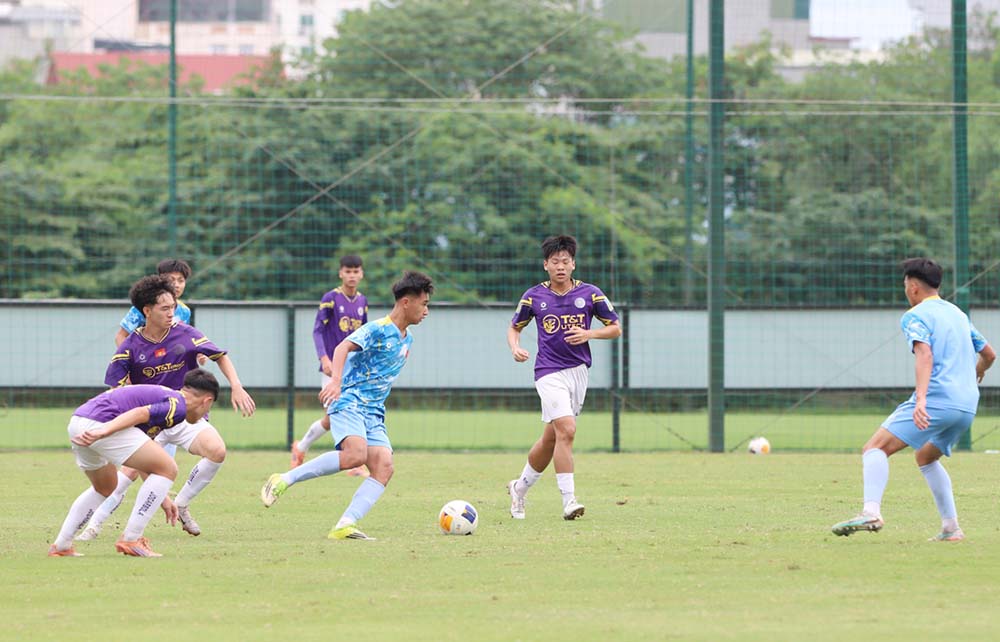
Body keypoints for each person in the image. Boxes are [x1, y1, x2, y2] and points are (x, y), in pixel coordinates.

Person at [77, 274, 255, 541]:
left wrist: (237, 386)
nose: (173, 313)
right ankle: (93, 526)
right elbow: (119, 392)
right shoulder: (129, 347)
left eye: (173, 307)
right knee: (126, 476)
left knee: (217, 451)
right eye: (166, 308)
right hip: (149, 420)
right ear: (147, 311)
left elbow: (220, 356)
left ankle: (181, 503)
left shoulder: (186, 334)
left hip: (183, 415)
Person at [260, 271, 434, 541]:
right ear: (406, 303)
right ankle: (284, 478)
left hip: (373, 411)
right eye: (424, 304)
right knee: (355, 455)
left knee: (384, 466)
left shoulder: (407, 338)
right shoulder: (377, 328)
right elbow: (342, 348)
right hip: (350, 401)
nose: (427, 311)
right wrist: (336, 382)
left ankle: (345, 524)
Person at [832, 258, 995, 541]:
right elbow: (990, 354)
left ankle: (871, 511)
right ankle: (951, 528)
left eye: (905, 284)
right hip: (967, 405)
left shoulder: (915, 314)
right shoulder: (957, 313)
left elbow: (925, 354)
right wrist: (978, 371)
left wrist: (921, 400)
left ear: (914, 286)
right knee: (926, 456)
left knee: (875, 448)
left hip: (937, 399)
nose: (905, 290)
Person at [505, 234, 621, 520]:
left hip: (578, 373)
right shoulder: (533, 296)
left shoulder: (591, 294)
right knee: (567, 431)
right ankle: (569, 501)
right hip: (547, 372)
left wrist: (589, 333)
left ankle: (519, 489)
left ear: (573, 264)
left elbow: (615, 327)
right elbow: (514, 326)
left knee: (550, 440)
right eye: (555, 262)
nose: (560, 266)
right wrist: (515, 346)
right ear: (546, 265)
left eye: (565, 261)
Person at [48, 369, 220, 558]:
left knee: (105, 487)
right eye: (209, 409)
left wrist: (163, 499)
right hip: (101, 424)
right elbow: (140, 413)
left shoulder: (166, 396)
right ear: (207, 401)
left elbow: (146, 465)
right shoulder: (178, 406)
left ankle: (62, 545)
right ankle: (131, 539)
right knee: (168, 468)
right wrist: (104, 430)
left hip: (78, 422)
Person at [291, 255, 369, 477]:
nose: (352, 275)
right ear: (340, 273)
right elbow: (317, 330)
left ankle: (302, 448)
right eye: (348, 271)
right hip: (332, 368)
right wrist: (323, 358)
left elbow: (363, 336)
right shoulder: (331, 298)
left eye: (356, 271)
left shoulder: (363, 302)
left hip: (353, 369)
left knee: (341, 416)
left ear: (361, 274)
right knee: (336, 415)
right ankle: (352, 460)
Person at [115, 258, 193, 348]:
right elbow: (121, 336)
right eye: (171, 280)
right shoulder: (143, 307)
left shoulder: (185, 311)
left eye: (181, 280)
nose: (176, 285)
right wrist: (129, 359)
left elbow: (182, 339)